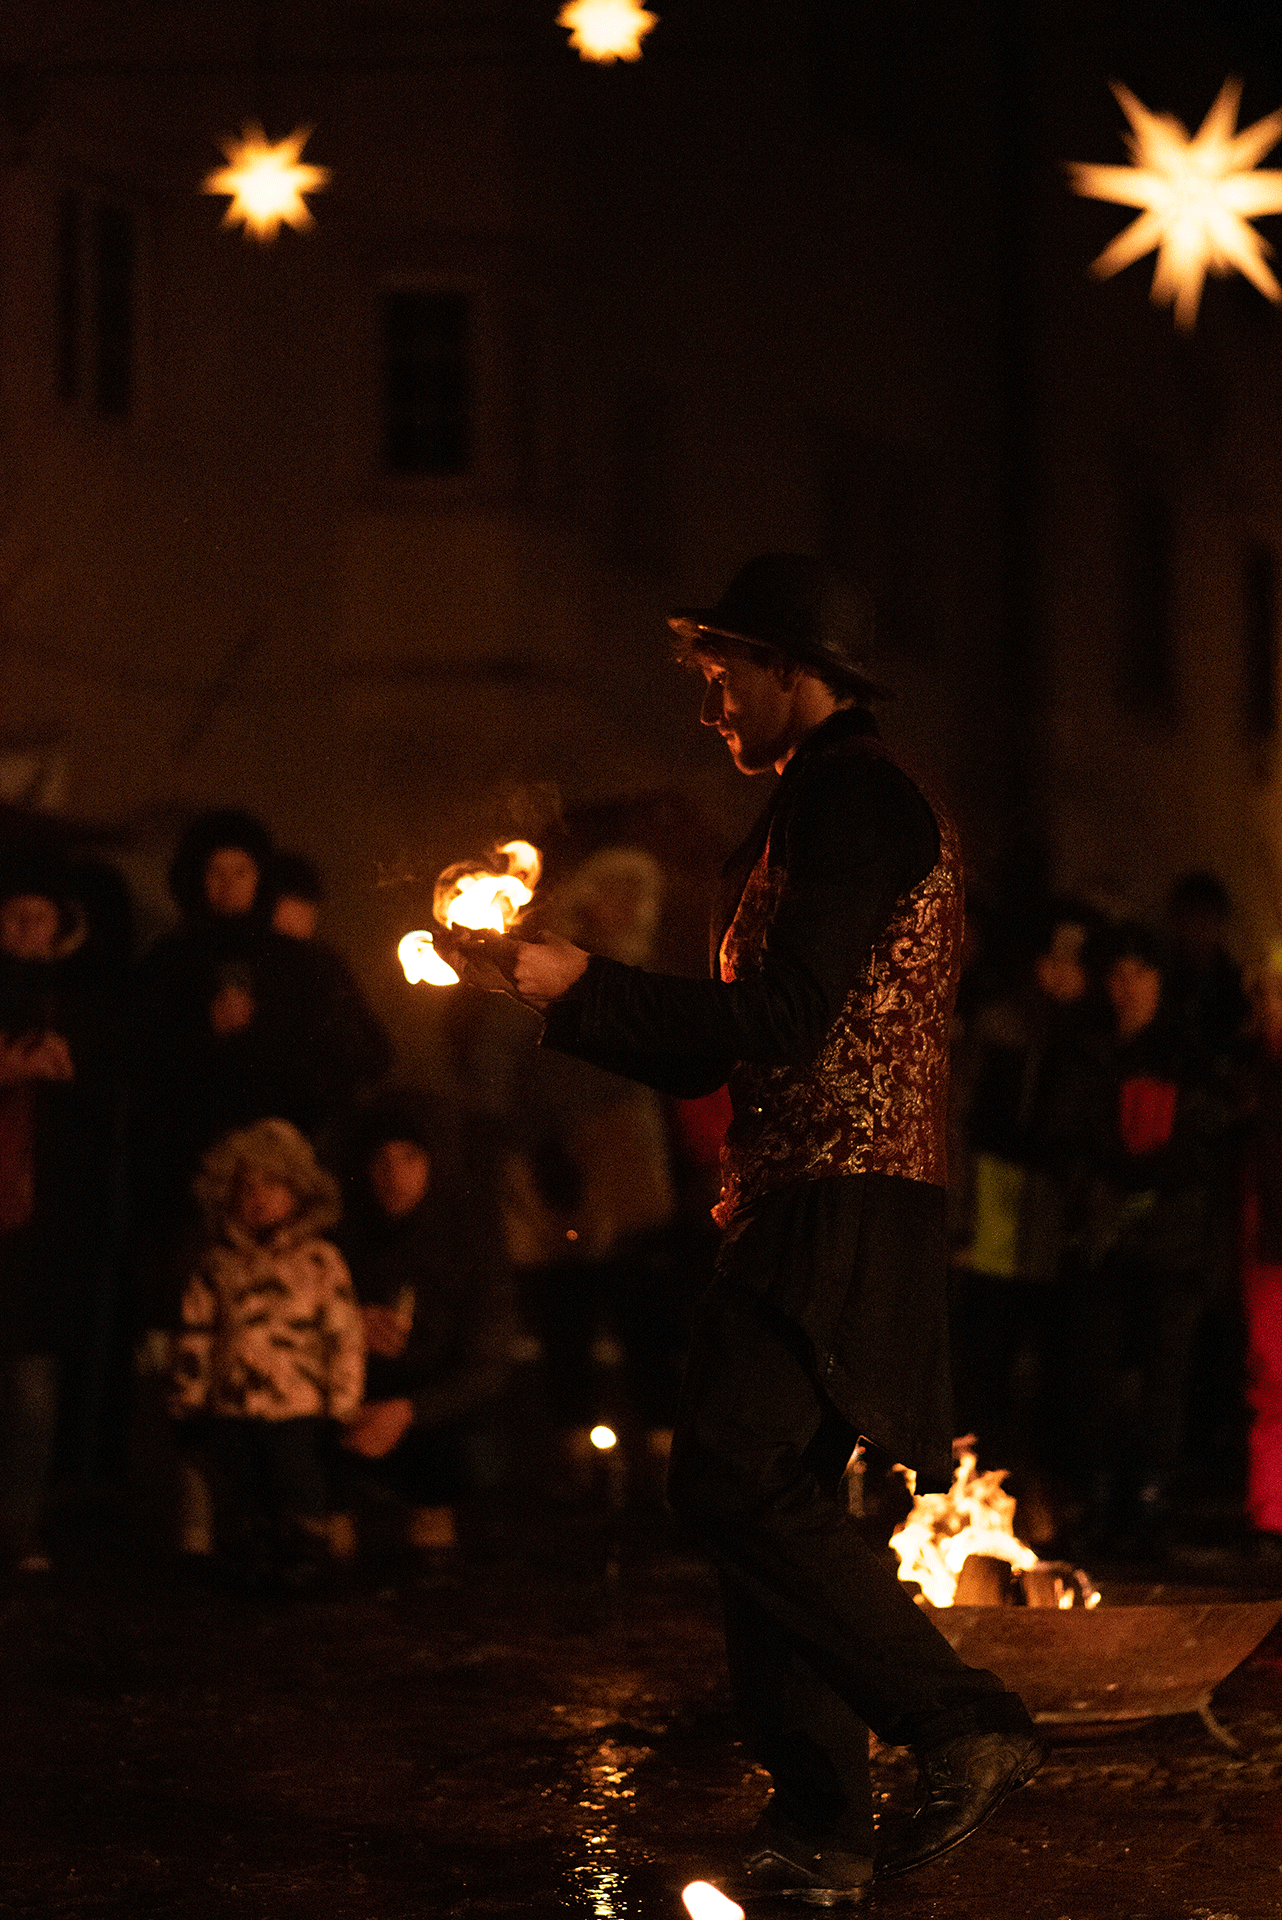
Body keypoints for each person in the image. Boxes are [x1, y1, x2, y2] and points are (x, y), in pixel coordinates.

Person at [460, 555, 1041, 1904]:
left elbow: (779, 1025)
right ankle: (820, 1826)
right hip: (806, 1193)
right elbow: (712, 1053)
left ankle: (958, 1726)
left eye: (725, 667)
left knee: (733, 1478)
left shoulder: (850, 800)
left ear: (796, 667)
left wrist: (584, 979)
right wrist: (555, 990)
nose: (709, 693)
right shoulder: (811, 807)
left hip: (837, 1200)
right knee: (756, 1493)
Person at [1046, 921, 1234, 1554]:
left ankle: (1150, 1506)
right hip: (1104, 1242)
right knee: (1094, 1371)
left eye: (1136, 973)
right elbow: (1066, 1133)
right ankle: (1100, 1501)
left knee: (1162, 1377)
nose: (1123, 987)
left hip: (1171, 1243)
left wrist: (1149, 1174)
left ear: (1158, 979)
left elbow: (1208, 1142)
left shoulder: (1188, 1056)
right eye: (1115, 975)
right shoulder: (1091, 1050)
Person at [168, 1117, 364, 1589]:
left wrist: (343, 1401)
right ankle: (249, 1558)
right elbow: (196, 1333)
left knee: (295, 1484)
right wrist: (187, 1398)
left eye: (274, 1185)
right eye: (248, 1186)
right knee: (240, 1486)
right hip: (232, 1403)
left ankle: (305, 1558)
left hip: (297, 1404)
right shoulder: (217, 1264)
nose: (260, 1197)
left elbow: (343, 1334)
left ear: (298, 1192)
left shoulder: (320, 1260)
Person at [334, 1087, 515, 1567]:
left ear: (432, 1164)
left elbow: (488, 1365)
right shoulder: (340, 1237)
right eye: (382, 1160)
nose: (394, 1175)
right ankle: (333, 1507)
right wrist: (346, 1328)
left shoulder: (470, 1243)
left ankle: (428, 1504)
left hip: (433, 1411)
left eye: (409, 1158)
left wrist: (409, 1411)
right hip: (352, 1399)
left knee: (475, 1454)